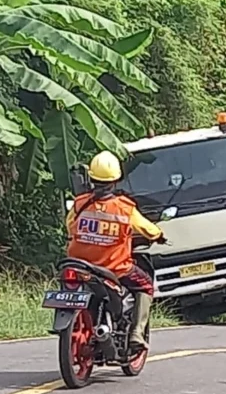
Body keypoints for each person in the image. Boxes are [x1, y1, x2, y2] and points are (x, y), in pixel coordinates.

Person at [66, 151, 165, 353]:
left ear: (92, 178)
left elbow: (69, 227)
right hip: (114, 269)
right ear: (116, 180)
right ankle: (137, 333)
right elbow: (147, 229)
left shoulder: (80, 203)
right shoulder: (124, 208)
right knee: (145, 285)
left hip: (79, 265)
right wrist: (159, 235)